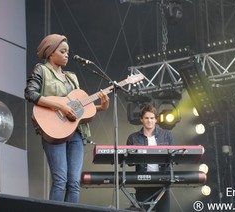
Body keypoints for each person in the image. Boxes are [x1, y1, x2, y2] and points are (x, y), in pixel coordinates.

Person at [25, 34, 109, 203]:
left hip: (76, 132)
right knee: (60, 181)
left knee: (74, 182)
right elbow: (30, 93)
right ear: (50, 52)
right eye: (62, 51)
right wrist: (61, 107)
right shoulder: (42, 70)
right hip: (53, 130)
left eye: (67, 52)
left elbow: (79, 109)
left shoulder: (72, 76)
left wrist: (101, 107)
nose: (66, 55)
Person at [126, 104, 175, 212]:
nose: (149, 121)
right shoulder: (133, 138)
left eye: (152, 118)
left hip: (162, 182)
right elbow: (129, 162)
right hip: (142, 183)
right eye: (146, 118)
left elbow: (173, 158)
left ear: (156, 120)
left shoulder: (167, 135)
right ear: (141, 120)